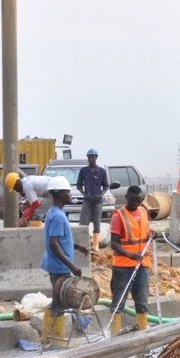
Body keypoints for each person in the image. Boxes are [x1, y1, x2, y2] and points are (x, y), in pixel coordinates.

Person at [40, 176, 89, 345]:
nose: (70, 194)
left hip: (57, 263)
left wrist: (76, 247)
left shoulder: (55, 213)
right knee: (59, 302)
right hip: (59, 266)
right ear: (60, 194)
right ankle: (54, 339)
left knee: (58, 300)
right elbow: (53, 244)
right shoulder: (58, 216)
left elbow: (60, 240)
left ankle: (49, 337)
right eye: (67, 192)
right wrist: (72, 266)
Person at [109, 185, 152, 334]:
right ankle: (114, 337)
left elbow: (145, 233)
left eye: (139, 201)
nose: (136, 204)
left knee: (142, 302)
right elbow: (113, 243)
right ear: (127, 198)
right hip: (123, 267)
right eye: (133, 201)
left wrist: (152, 235)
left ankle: (142, 335)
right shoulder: (118, 216)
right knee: (118, 302)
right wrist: (129, 254)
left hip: (142, 265)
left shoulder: (143, 211)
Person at [75, 148, 109, 252]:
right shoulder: (83, 171)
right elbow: (79, 185)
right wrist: (85, 195)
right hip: (87, 201)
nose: (91, 159)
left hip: (97, 201)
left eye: (92, 157)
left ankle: (95, 246)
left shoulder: (102, 171)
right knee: (83, 222)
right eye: (89, 157)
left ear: (96, 158)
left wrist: (100, 195)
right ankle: (84, 244)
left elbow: (106, 186)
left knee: (97, 222)